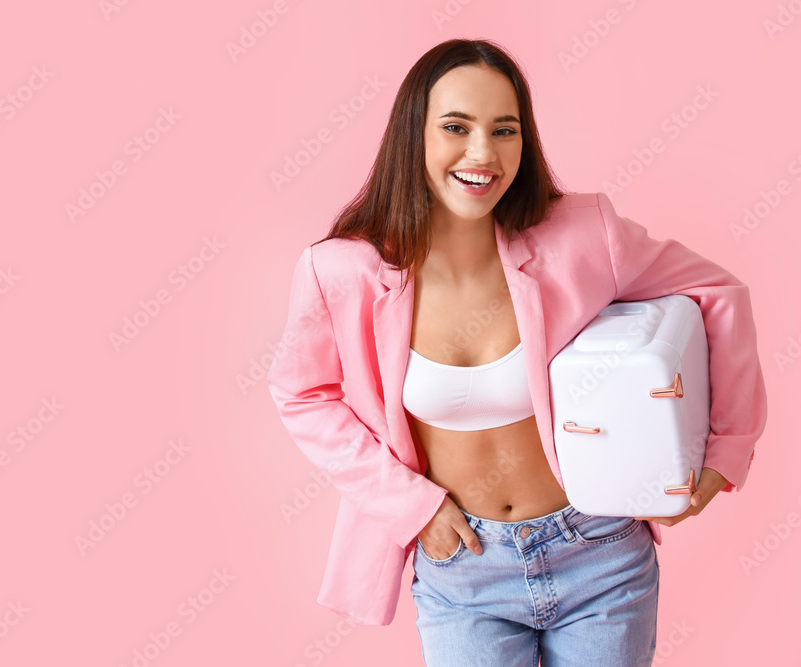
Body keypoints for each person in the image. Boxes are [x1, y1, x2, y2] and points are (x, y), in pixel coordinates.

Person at [266, 38, 767, 666]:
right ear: (411, 135)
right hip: (463, 568)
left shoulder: (583, 235)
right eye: (456, 126)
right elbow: (301, 394)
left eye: (505, 130)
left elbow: (716, 291)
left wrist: (727, 448)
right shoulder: (341, 271)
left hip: (599, 552)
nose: (483, 153)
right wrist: (410, 508)